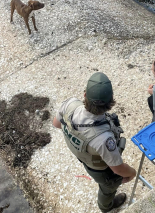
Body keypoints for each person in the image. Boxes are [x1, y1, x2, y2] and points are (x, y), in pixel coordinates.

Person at [53, 72, 136, 213]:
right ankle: (106, 207)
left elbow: (56, 124)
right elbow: (117, 169)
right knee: (107, 189)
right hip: (101, 171)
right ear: (110, 103)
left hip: (84, 159)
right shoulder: (104, 139)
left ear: (85, 95)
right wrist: (132, 173)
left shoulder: (69, 104)